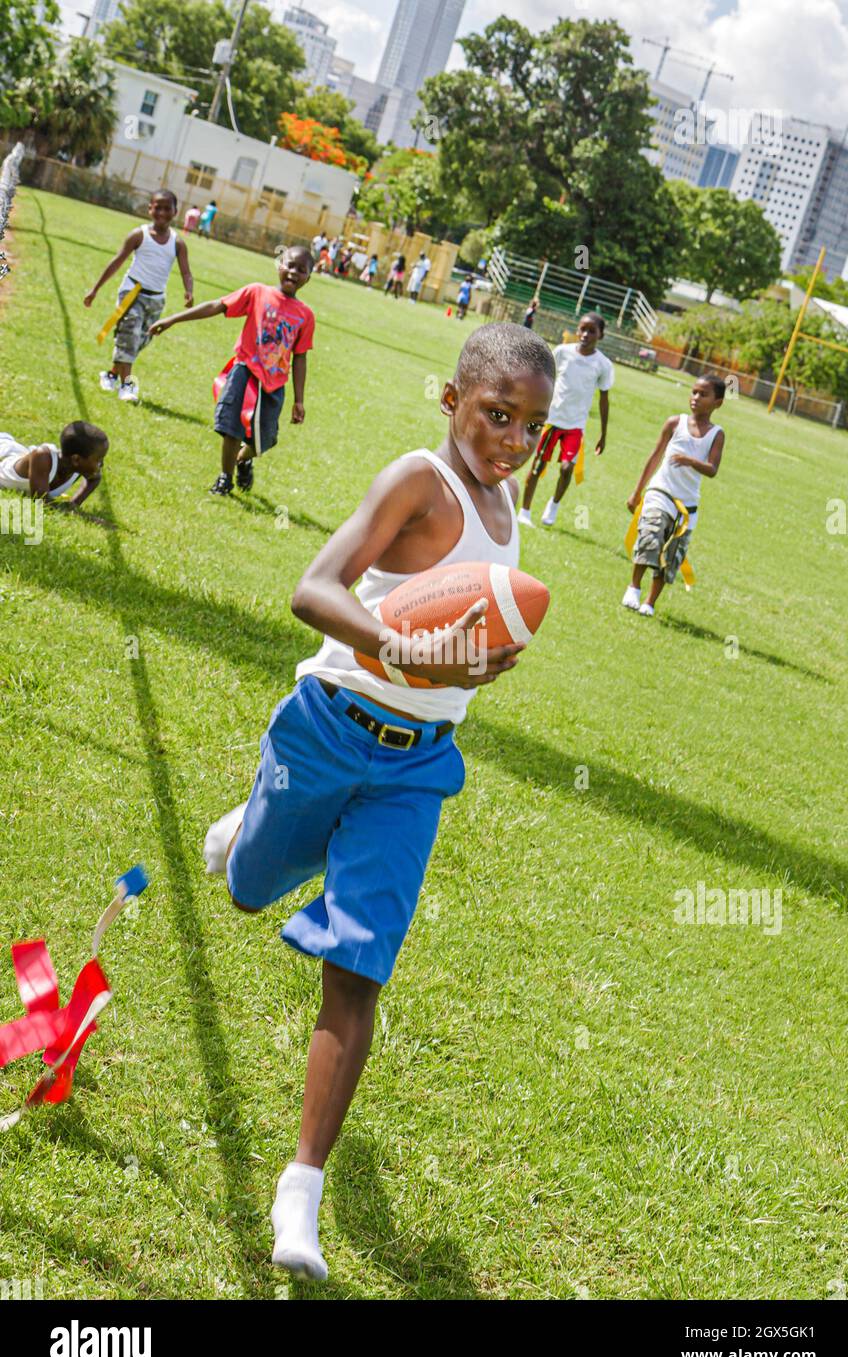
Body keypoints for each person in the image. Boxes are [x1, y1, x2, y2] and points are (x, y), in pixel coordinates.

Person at [201, 322, 555, 1281]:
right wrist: (405, 649)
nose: (510, 440)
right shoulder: (417, 481)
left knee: (358, 967)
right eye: (495, 415)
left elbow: (464, 644)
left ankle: (300, 1193)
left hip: (416, 770)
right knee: (245, 888)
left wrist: (480, 660)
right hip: (326, 726)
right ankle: (250, 832)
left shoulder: (506, 506)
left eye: (531, 426)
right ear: (451, 400)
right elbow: (314, 591)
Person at [148, 246, 314, 496]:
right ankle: (225, 478)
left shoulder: (305, 315)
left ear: (309, 277)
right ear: (279, 266)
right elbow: (218, 305)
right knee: (232, 427)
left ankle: (244, 459)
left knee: (264, 440)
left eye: (301, 270)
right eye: (289, 265)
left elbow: (300, 357)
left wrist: (299, 400)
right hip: (245, 371)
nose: (293, 272)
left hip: (273, 384)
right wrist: (173, 319)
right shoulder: (257, 292)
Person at [622, 376, 725, 616]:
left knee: (670, 555)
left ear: (717, 403)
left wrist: (690, 461)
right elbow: (655, 456)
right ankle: (634, 587)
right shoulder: (674, 423)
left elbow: (712, 469)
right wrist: (637, 492)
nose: (695, 398)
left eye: (703, 394)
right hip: (660, 492)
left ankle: (649, 602)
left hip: (687, 505)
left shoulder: (716, 435)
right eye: (694, 392)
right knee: (650, 535)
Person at [84, 188, 193, 406]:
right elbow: (117, 261)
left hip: (156, 299)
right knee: (130, 336)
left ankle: (112, 375)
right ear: (150, 209)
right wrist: (95, 289)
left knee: (138, 341)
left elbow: (186, 272)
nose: (161, 212)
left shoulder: (178, 243)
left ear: (175, 211)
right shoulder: (138, 235)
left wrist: (189, 291)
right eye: (157, 207)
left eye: (166, 208)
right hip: (132, 293)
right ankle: (128, 386)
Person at [518, 312, 613, 528]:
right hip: (552, 420)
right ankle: (524, 511)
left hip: (575, 426)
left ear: (601, 335)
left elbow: (604, 400)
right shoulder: (562, 352)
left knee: (567, 468)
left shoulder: (603, 365)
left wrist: (603, 434)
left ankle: (553, 504)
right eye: (582, 329)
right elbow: (543, 379)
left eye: (592, 331)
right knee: (537, 465)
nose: (586, 334)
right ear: (577, 330)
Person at [0, 421, 108, 508]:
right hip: (4, 455)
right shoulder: (42, 457)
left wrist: (74, 504)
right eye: (99, 460)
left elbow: (94, 479)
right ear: (76, 459)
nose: (102, 464)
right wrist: (85, 516)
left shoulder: (78, 468)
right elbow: (41, 501)